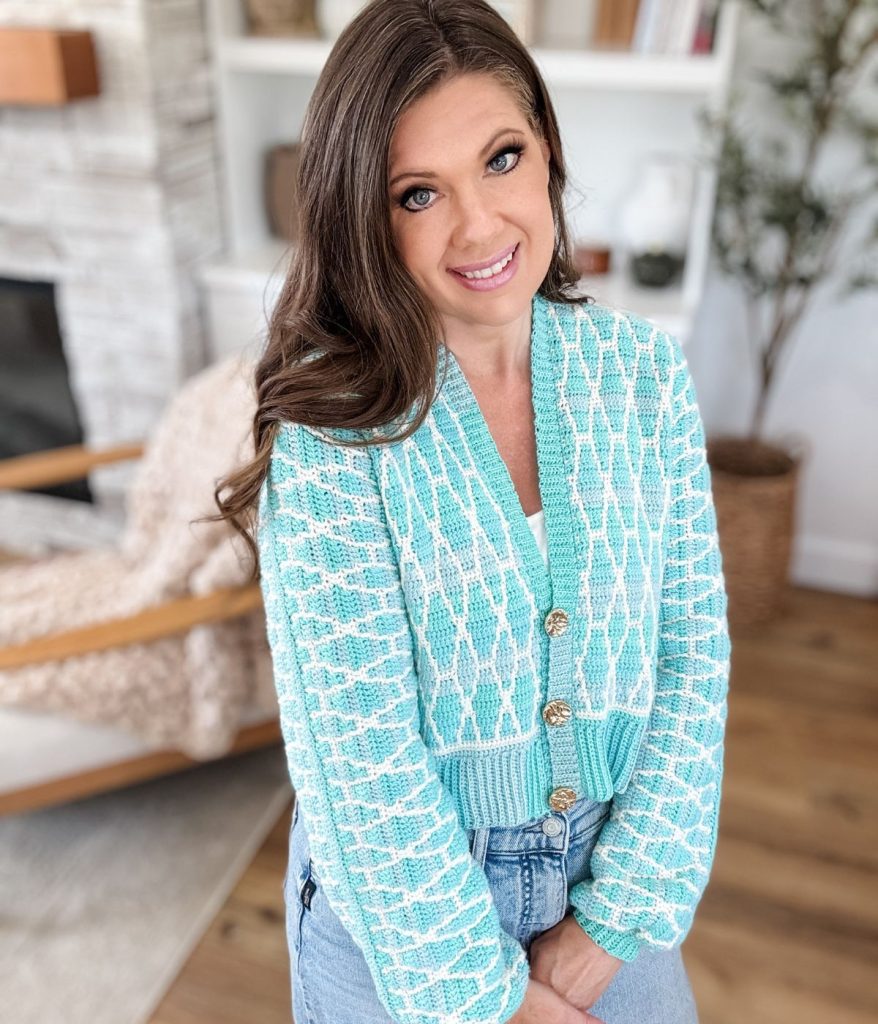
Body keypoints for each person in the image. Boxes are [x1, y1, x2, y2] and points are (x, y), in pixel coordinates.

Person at [210, 1, 732, 1022]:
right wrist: (491, 998)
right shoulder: (332, 435)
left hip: (609, 880)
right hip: (401, 922)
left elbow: (690, 664)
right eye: (418, 193)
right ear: (363, 216)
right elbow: (359, 771)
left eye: (500, 158)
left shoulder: (640, 378)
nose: (479, 226)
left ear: (545, 150)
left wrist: (607, 927)